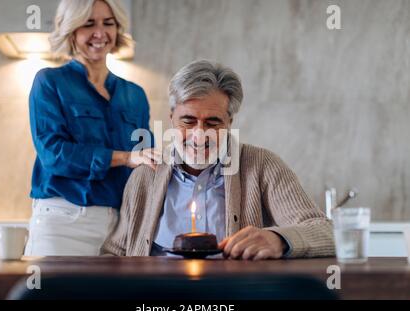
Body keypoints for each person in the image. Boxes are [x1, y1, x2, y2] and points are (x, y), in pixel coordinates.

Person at [101, 60, 335, 259]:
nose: (199, 134)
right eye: (188, 121)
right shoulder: (146, 175)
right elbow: (115, 252)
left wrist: (278, 239)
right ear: (171, 118)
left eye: (213, 122)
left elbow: (327, 232)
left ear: (229, 122)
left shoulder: (263, 166)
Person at [25, 0, 160, 256]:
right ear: (71, 29)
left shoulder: (135, 95)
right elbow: (53, 154)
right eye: (89, 24)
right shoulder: (49, 82)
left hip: (122, 228)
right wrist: (125, 157)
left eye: (108, 23)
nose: (100, 33)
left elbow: (146, 163)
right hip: (63, 222)